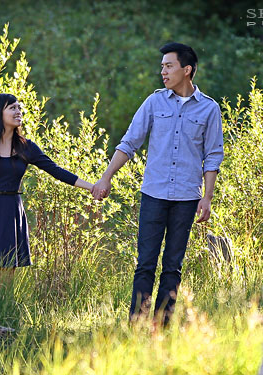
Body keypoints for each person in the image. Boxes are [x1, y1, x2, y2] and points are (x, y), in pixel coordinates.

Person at [92, 42, 224, 325]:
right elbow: (130, 143)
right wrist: (106, 176)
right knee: (145, 264)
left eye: (169, 66)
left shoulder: (209, 109)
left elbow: (212, 156)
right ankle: (136, 325)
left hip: (188, 197)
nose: (162, 71)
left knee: (173, 267)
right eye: (162, 66)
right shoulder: (154, 102)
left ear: (186, 70)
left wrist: (207, 197)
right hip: (154, 194)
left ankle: (161, 328)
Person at [0, 93, 94, 301]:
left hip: (10, 213)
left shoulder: (26, 147)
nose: (18, 112)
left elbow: (56, 171)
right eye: (12, 108)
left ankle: (4, 325)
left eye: (19, 108)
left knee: (6, 279)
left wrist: (92, 187)